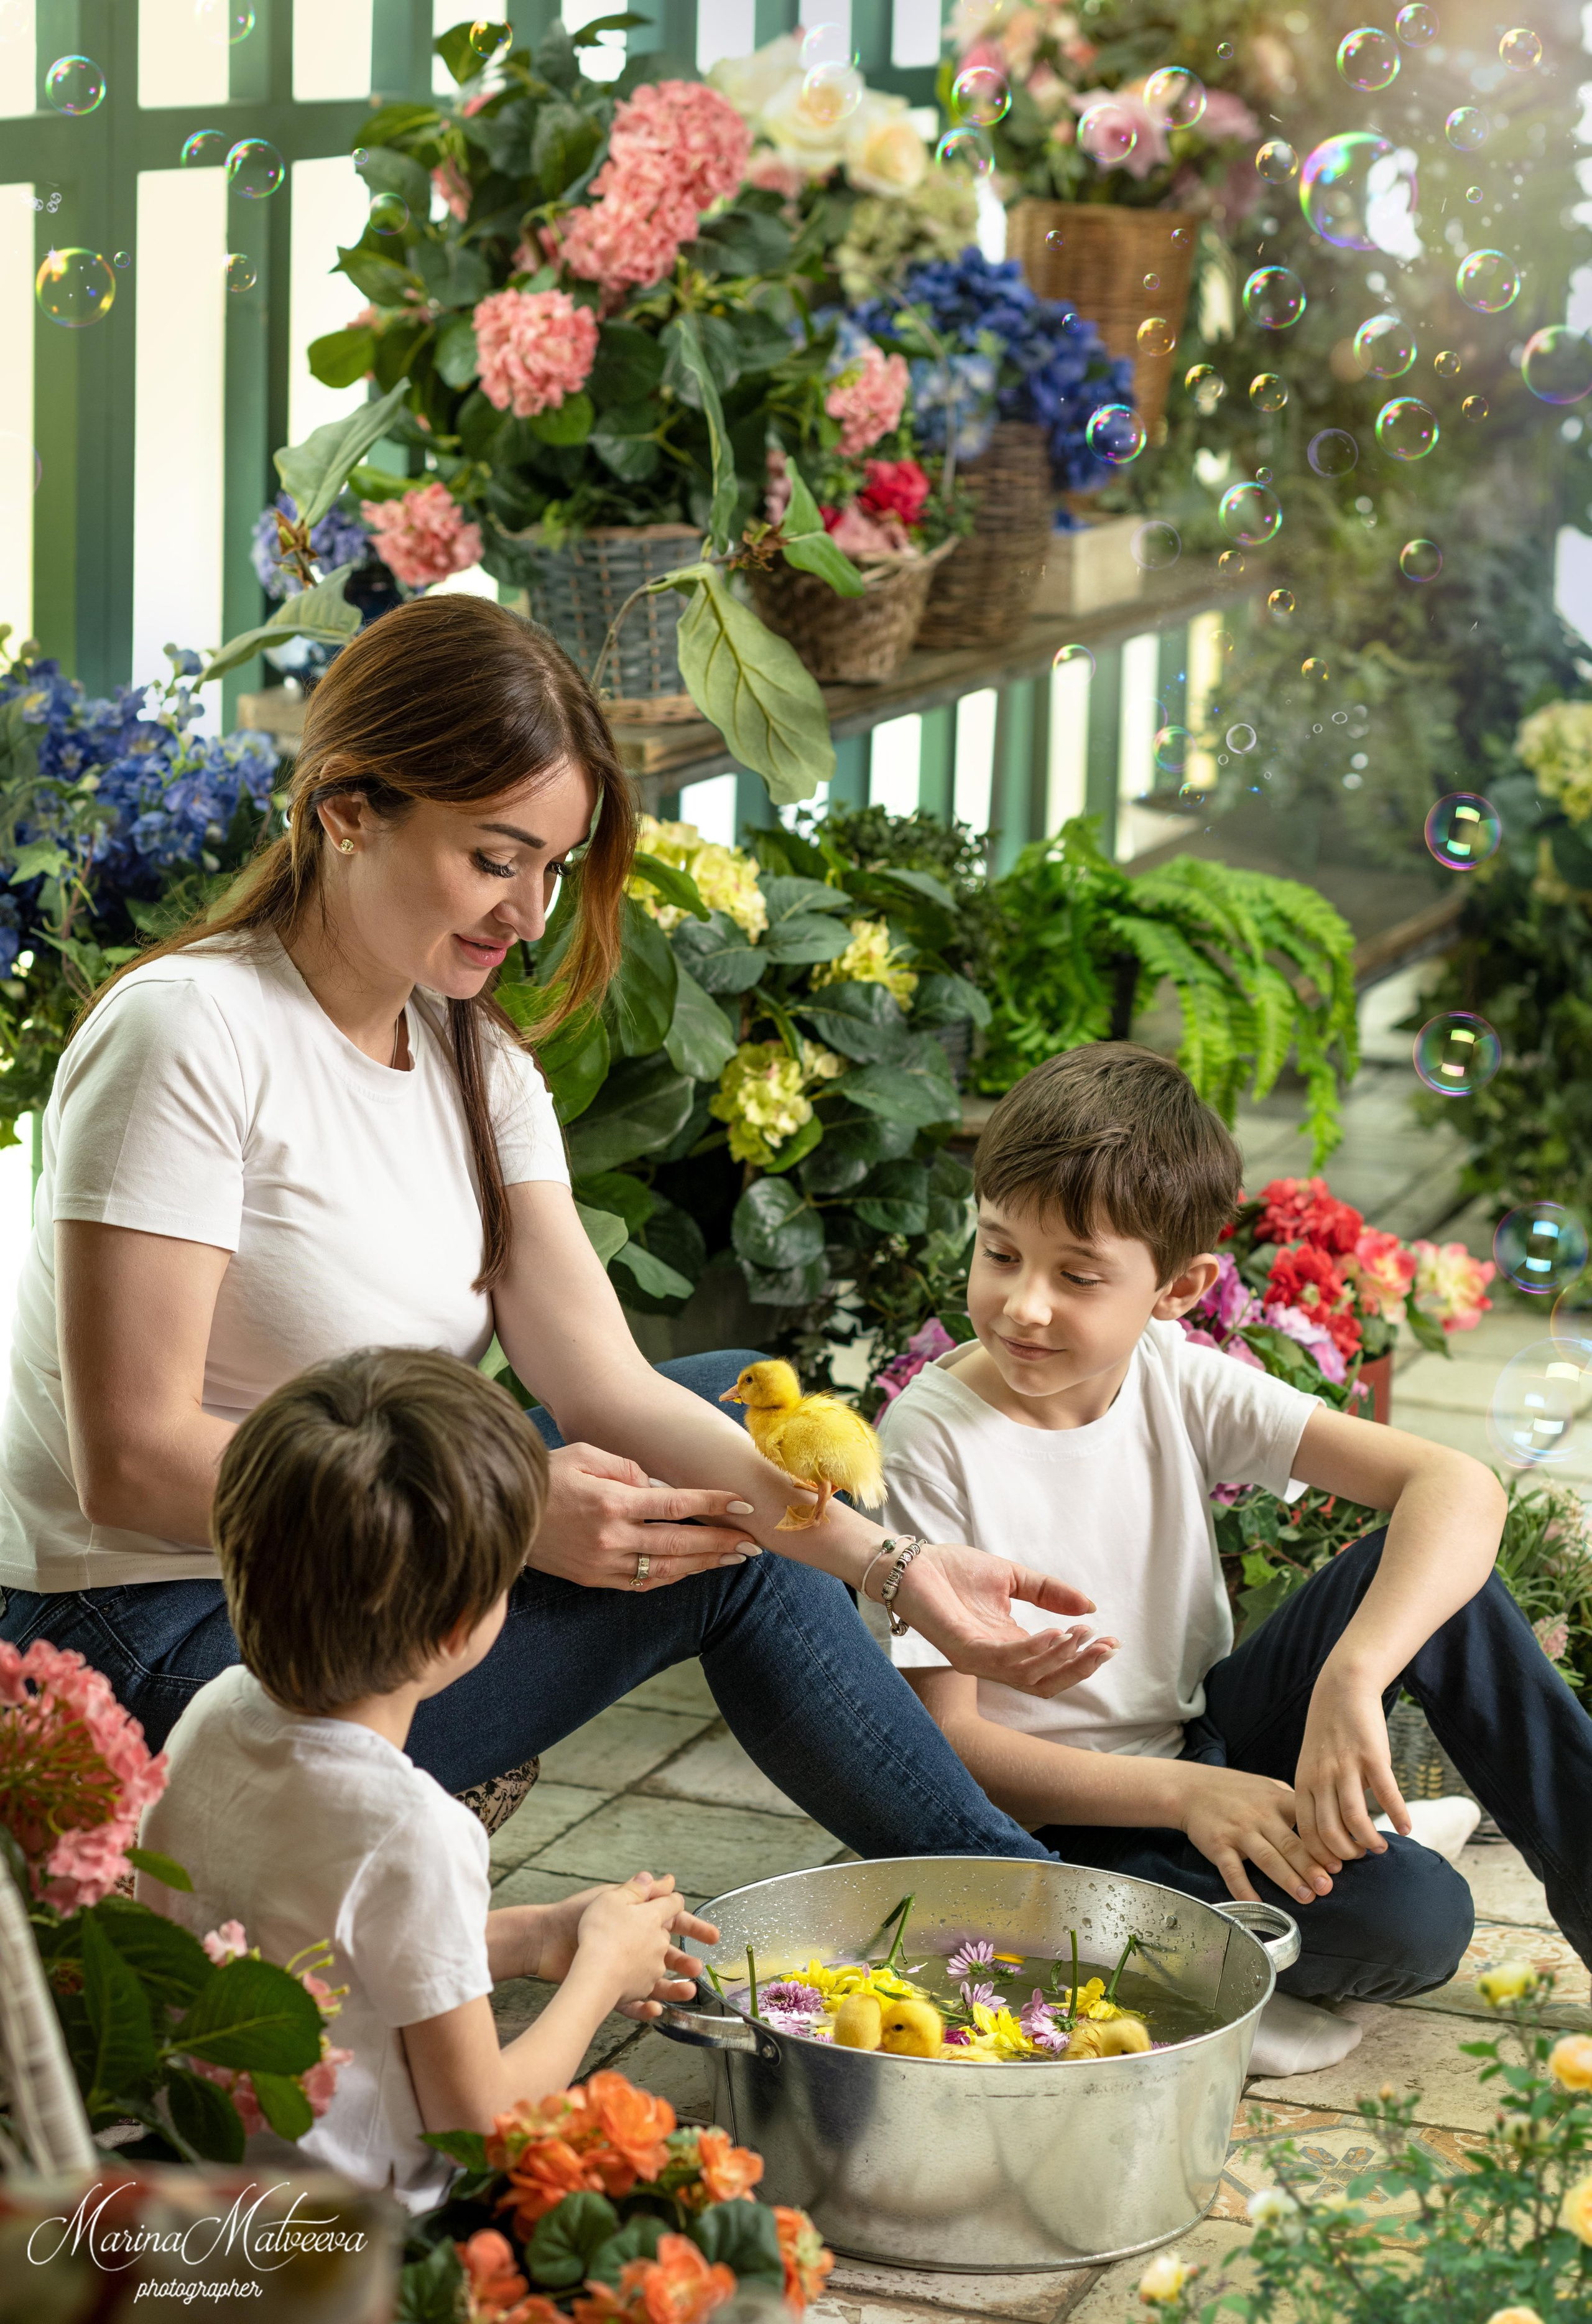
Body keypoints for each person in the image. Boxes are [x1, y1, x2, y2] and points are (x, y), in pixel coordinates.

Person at [0, 593, 1097, 1867]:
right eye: (492, 856)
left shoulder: (471, 1059)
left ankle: (1022, 1908)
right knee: (722, 1552)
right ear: (347, 809)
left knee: (711, 1422)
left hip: (348, 1573)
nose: (526, 916)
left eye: (550, 869)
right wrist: (509, 1508)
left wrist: (897, 1569)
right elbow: (127, 1460)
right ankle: (1031, 1911)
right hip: (151, 1636)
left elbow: (605, 1388)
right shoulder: (189, 1035)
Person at [879, 1043, 1592, 2074]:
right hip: (1057, 1835)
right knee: (1414, 1922)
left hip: (1201, 1739)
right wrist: (1189, 1802)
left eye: (1078, 1275)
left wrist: (1353, 1679)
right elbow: (952, 1749)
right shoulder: (930, 1438)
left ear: (1179, 1289)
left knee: (1448, 1574)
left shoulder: (1173, 1371)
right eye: (999, 1253)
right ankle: (1201, 1992)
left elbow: (1456, 1486)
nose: (1024, 1304)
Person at [139, 1347, 721, 2211]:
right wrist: (602, 1972)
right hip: (356, 2228)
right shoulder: (414, 1828)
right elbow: (483, 2125)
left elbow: (319, 1953)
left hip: (203, 2166)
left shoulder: (215, 1715)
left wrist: (530, 1938)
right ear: (459, 1627)